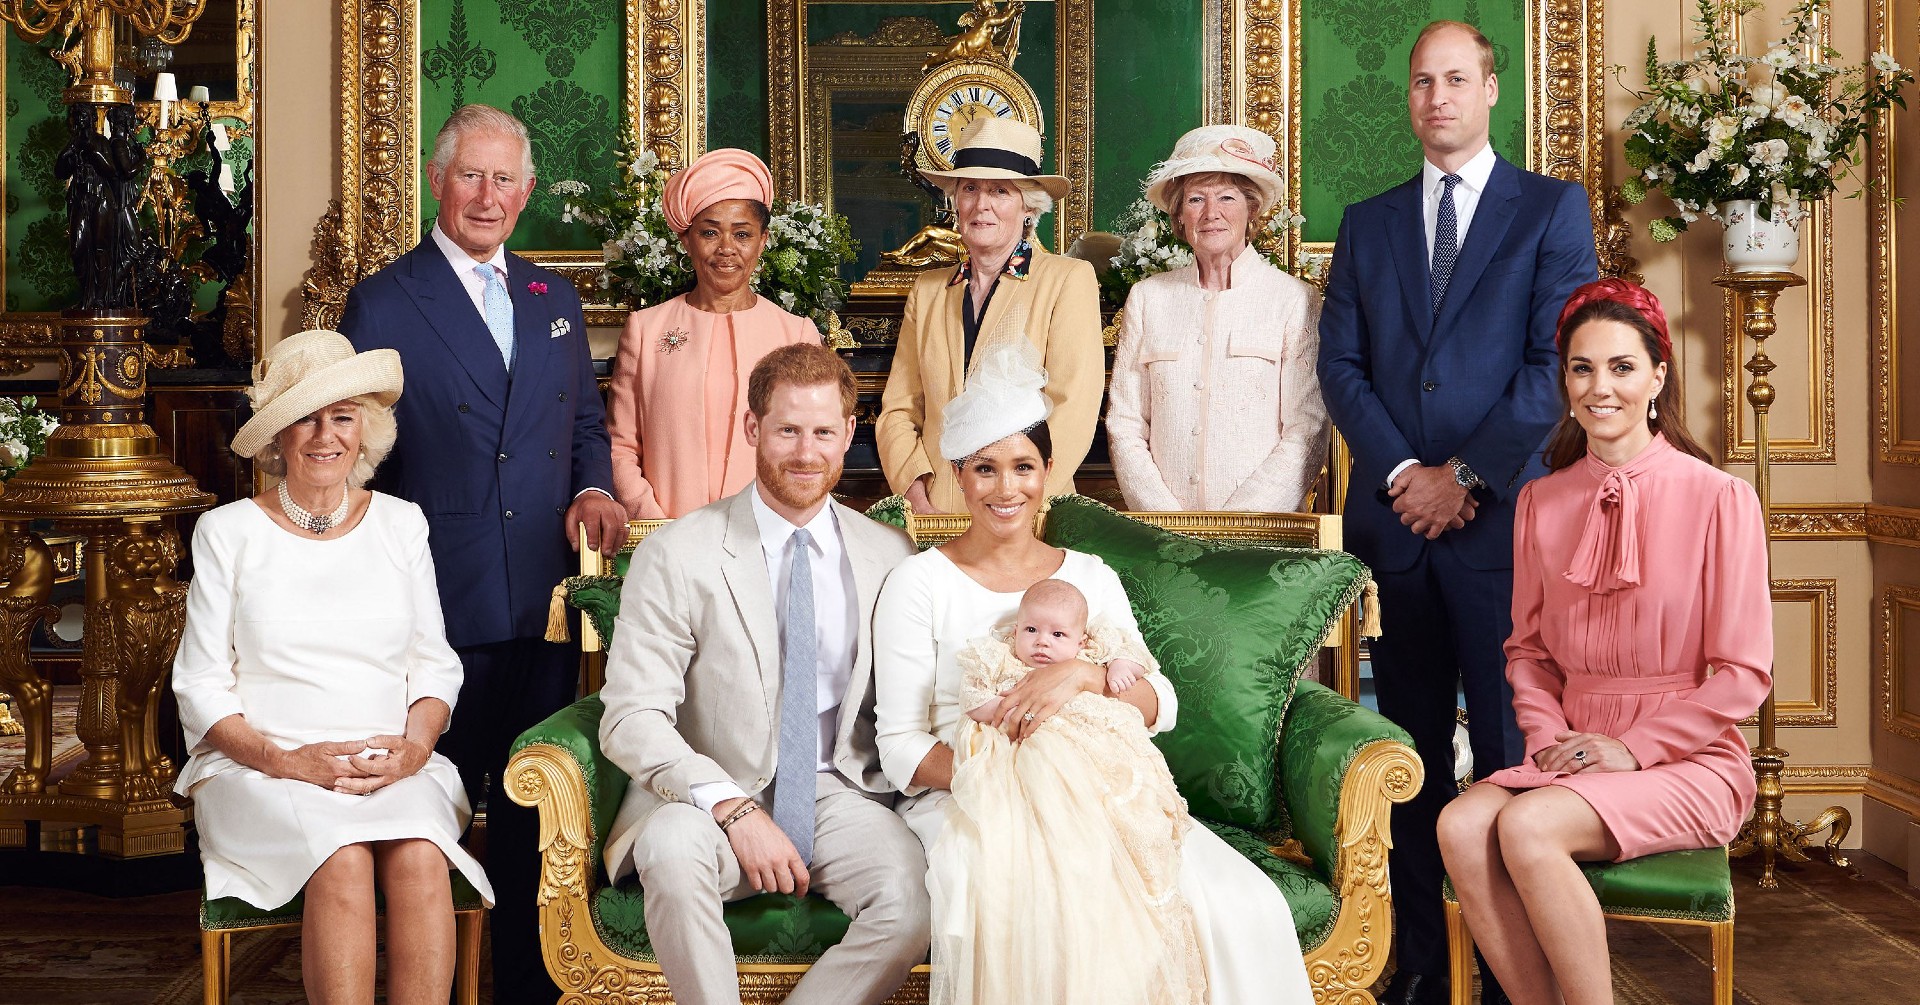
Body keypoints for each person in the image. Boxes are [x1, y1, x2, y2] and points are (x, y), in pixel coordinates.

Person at [873, 342, 1312, 1005]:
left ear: (1048, 471)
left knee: (1235, 899)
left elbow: (1159, 701)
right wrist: (1016, 784)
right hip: (972, 797)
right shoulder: (919, 581)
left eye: (1023, 467)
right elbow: (899, 746)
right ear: (958, 474)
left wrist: (1082, 674)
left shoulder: (1088, 575)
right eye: (985, 469)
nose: (1006, 489)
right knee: (1048, 899)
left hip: (1105, 790)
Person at [1314, 20, 1598, 1003]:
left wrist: (1464, 476)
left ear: (1490, 91)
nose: (1437, 97)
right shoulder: (1368, 222)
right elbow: (1341, 367)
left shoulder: (1551, 210)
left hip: (1501, 529)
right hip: (1397, 531)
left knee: (1512, 758)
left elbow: (1552, 364)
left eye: (1455, 79)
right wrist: (1405, 473)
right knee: (1408, 756)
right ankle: (1423, 966)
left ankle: (1519, 974)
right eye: (1422, 82)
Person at [337, 102, 628, 1002]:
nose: (488, 195)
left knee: (536, 809)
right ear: (438, 180)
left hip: (542, 593)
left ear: (527, 191)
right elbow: (358, 453)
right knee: (438, 806)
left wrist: (595, 488)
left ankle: (530, 985)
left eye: (505, 179)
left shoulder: (553, 299)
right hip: (439, 598)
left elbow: (584, 427)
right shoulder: (385, 298)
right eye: (471, 175)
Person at [1437, 280, 1771, 1005]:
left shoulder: (1721, 498)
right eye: (1582, 368)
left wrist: (1634, 748)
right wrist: (1548, 739)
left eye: (1622, 367)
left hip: (1687, 761)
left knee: (1528, 826)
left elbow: (1744, 673)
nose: (1600, 387)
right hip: (1572, 750)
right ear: (1565, 381)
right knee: (1461, 825)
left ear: (1657, 376)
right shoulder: (1540, 500)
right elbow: (1529, 653)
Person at [598, 342, 931, 1005]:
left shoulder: (890, 553)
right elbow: (631, 716)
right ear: (752, 428)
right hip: (708, 793)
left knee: (910, 902)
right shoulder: (677, 552)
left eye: (823, 432)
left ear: (849, 434)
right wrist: (731, 804)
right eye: (787, 431)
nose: (806, 452)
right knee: (671, 849)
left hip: (841, 792)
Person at [173, 330, 495, 1004]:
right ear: (278, 436)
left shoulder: (402, 524)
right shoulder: (227, 531)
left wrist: (414, 750)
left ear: (365, 431)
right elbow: (200, 683)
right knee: (343, 857)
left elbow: (433, 664)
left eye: (343, 417)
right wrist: (288, 761)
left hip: (389, 762)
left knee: (420, 858)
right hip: (262, 768)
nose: (326, 436)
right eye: (306, 418)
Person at [931, 576, 1203, 1005]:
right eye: (1032, 630)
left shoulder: (1095, 650)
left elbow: (1138, 668)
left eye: (1058, 635)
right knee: (1043, 779)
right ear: (1016, 630)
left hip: (1087, 738)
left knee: (1112, 783)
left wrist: (1115, 669)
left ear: (1082, 640)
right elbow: (975, 699)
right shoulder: (998, 657)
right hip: (1029, 741)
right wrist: (1004, 708)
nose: (1042, 642)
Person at [876, 116, 1104, 514]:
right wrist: (914, 492)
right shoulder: (928, 290)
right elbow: (899, 407)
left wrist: (1021, 500)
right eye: (970, 189)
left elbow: (1073, 408)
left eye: (1000, 191)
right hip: (937, 510)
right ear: (956, 202)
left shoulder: (1067, 279)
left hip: (1026, 511)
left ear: (1028, 206)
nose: (982, 205)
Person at [1107, 124, 1328, 512]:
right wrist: (1167, 524)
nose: (1211, 213)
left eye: (1227, 197)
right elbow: (1125, 422)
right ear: (1179, 215)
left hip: (1260, 530)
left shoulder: (1293, 299)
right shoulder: (1148, 298)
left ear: (1251, 209)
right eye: (1195, 199)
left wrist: (1241, 525)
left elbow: (1307, 428)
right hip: (1164, 532)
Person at [606, 148, 824, 519]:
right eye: (709, 232)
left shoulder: (796, 333)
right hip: (667, 533)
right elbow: (620, 446)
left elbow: (813, 447)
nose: (726, 249)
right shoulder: (646, 329)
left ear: (763, 241)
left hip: (768, 533)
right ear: (686, 240)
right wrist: (656, 524)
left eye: (742, 234)